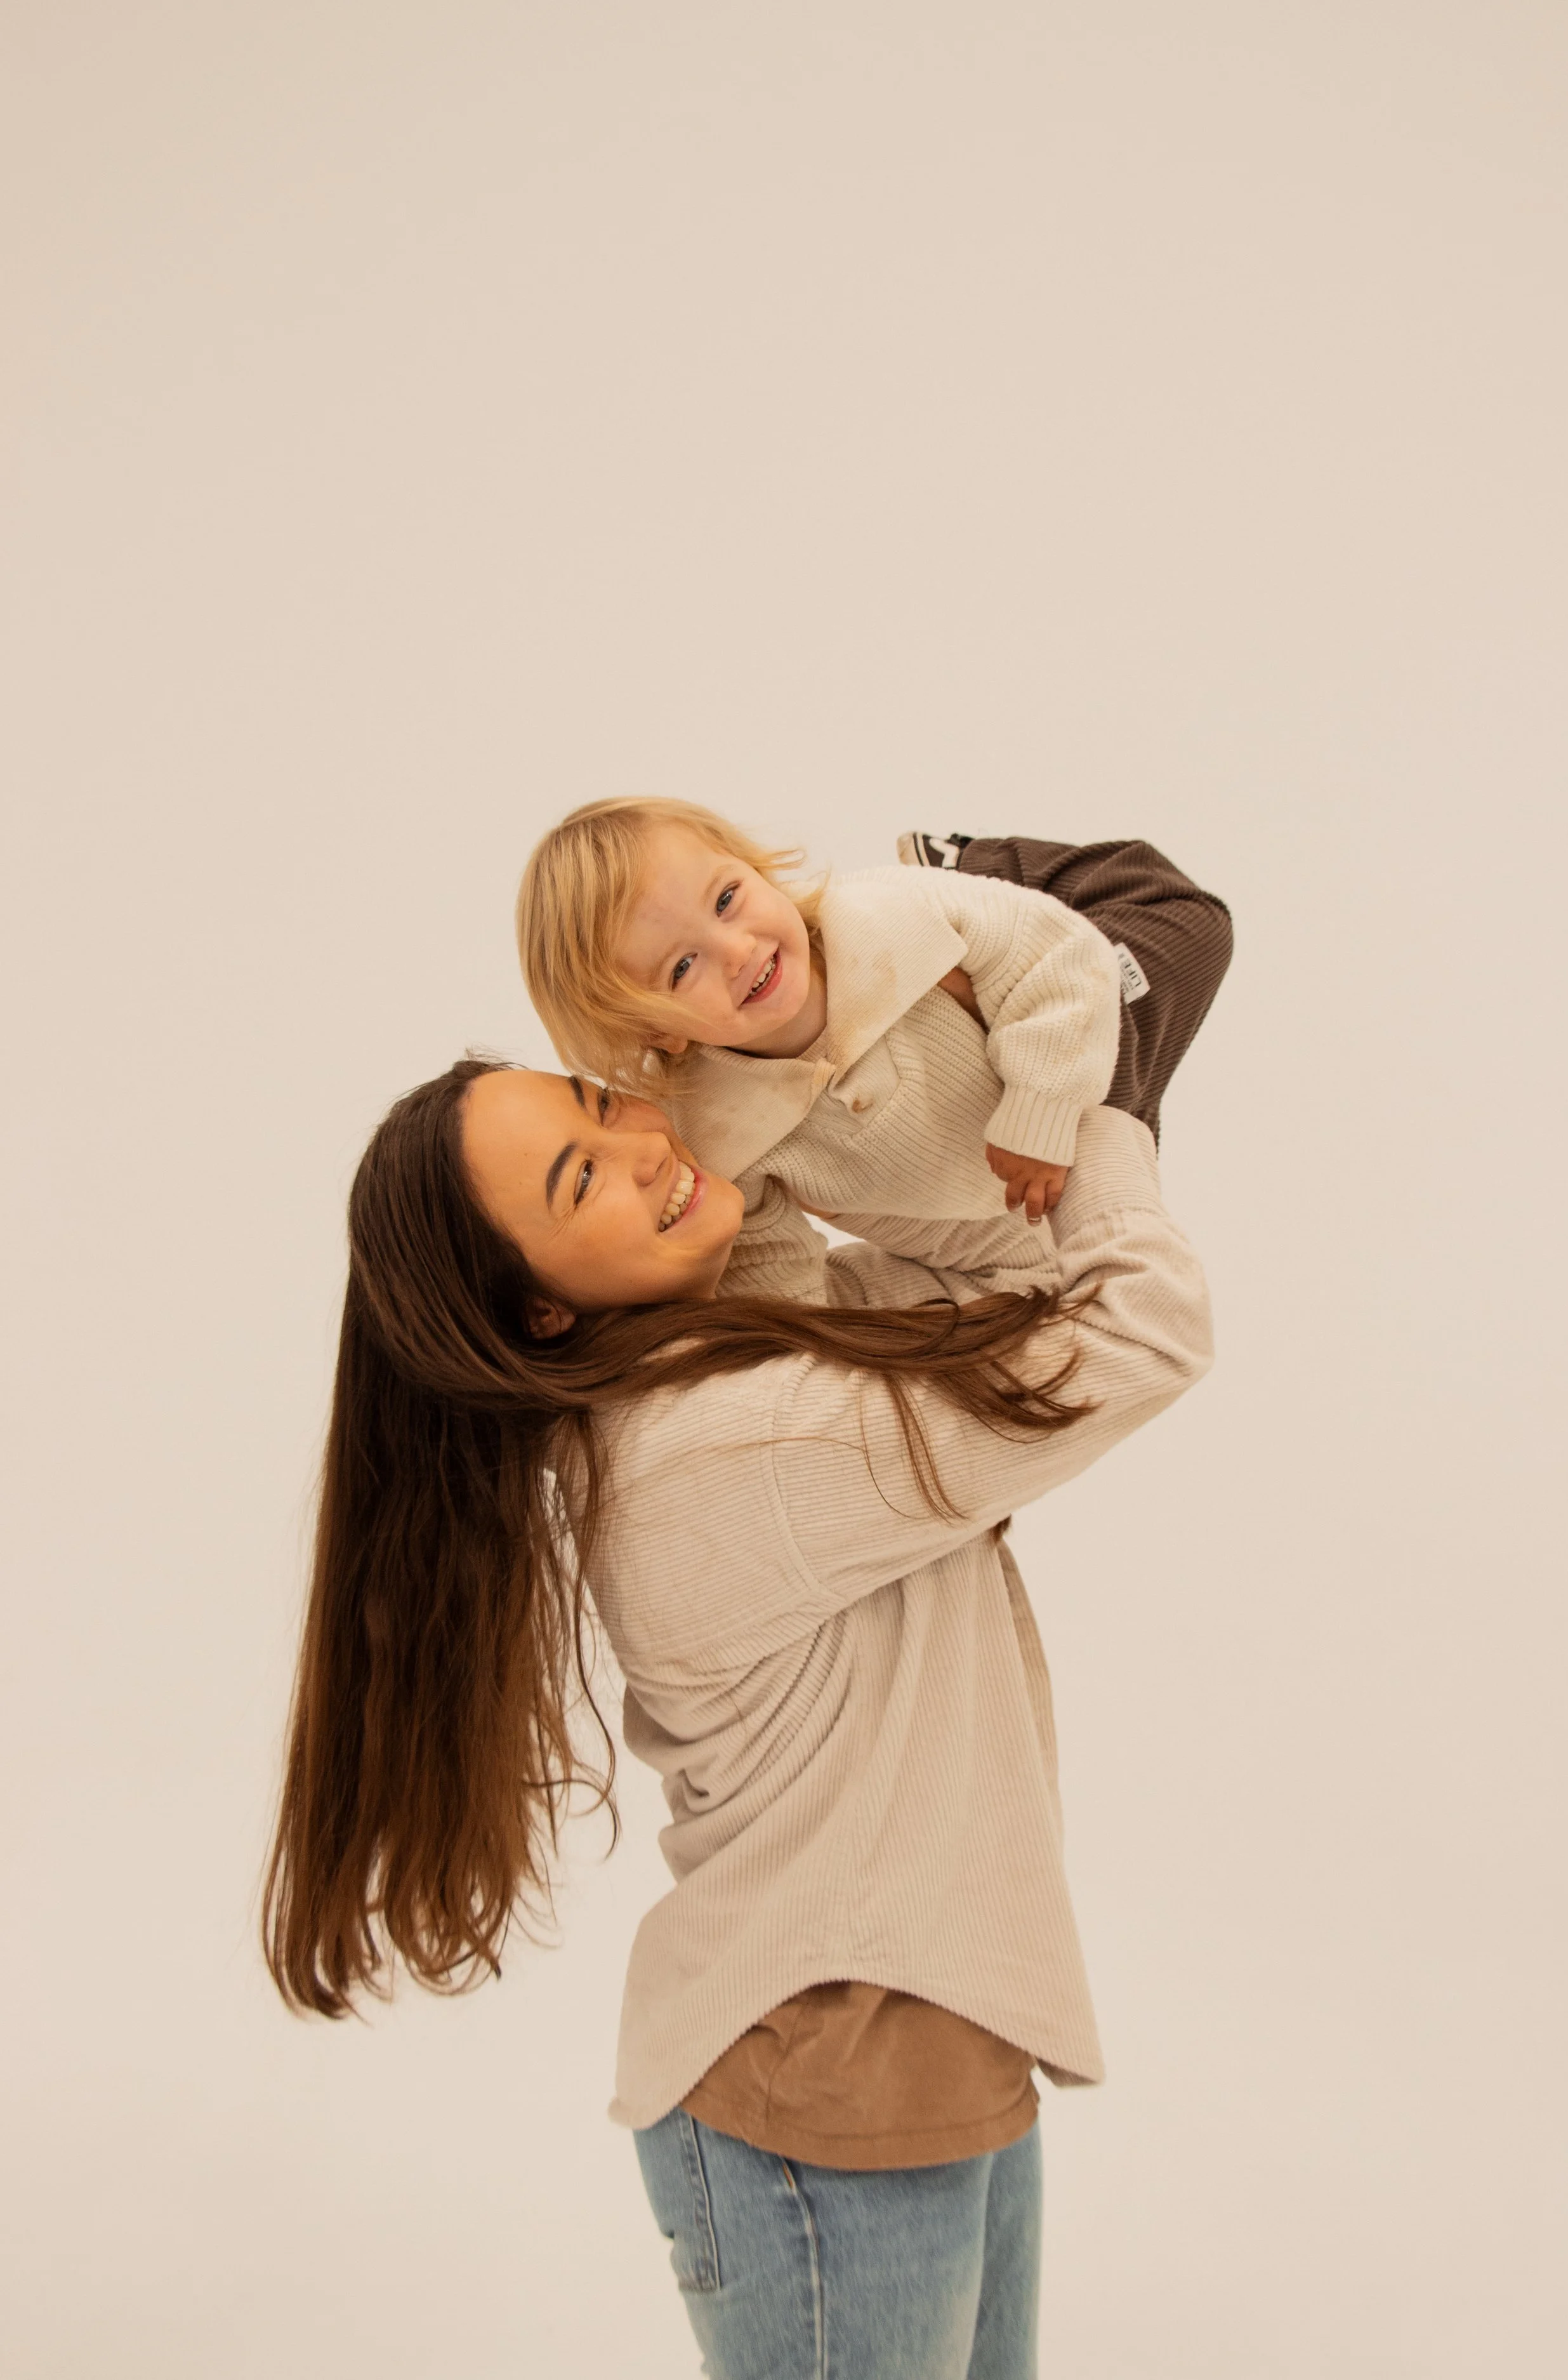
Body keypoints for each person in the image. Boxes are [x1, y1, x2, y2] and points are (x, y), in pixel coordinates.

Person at [263, 1045, 1212, 2379]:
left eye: (604, 1107)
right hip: (824, 2081)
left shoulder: (749, 1361)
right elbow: (1132, 1333)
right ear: (540, 1309)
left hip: (924, 2043)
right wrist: (1089, 1106)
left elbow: (996, 1268)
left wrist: (780, 1127)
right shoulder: (722, 1448)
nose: (641, 1148)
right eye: (578, 1177)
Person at [513, 807, 1232, 1321]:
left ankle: (977, 863)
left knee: (1183, 933)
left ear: (758, 871)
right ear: (661, 1034)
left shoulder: (886, 919)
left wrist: (1040, 1106)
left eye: (728, 899)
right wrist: (799, 1355)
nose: (736, 952)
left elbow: (1058, 953)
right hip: (1009, 1216)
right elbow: (768, 1262)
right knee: (1063, 1256)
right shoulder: (714, 1128)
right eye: (681, 968)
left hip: (1066, 1061)